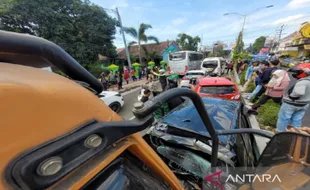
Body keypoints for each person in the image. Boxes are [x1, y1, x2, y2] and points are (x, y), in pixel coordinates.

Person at [276, 66, 310, 133]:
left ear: (304, 73)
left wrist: (291, 97)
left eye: (297, 72)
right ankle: (295, 134)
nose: (295, 74)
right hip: (304, 104)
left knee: (283, 119)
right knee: (297, 120)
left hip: (292, 104)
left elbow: (299, 93)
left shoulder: (303, 82)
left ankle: (279, 133)